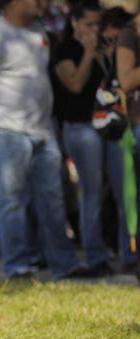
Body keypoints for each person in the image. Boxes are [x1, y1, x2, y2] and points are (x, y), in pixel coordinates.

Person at [0, 0, 90, 279]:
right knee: (12, 201)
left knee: (53, 200)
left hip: (42, 130)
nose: (42, 3)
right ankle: (17, 265)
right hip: (6, 132)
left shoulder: (38, 30)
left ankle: (64, 265)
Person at [54, 2, 126, 276]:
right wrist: (87, 52)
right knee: (92, 193)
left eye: (98, 24)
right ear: (74, 22)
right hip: (81, 128)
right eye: (88, 25)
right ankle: (95, 255)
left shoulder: (106, 47)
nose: (94, 30)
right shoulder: (66, 49)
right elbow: (75, 84)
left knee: (123, 191)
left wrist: (109, 58)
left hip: (110, 126)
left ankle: (128, 253)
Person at [116, 9, 140, 276]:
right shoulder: (130, 33)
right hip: (137, 123)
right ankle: (131, 257)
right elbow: (127, 80)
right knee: (133, 197)